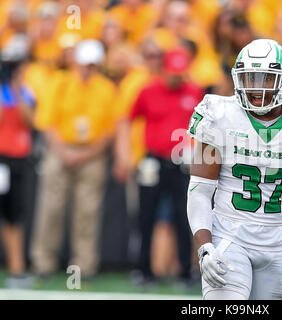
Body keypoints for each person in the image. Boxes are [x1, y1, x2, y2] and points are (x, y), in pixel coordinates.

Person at [186, 39, 282, 300]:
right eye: (249, 77)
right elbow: (200, 190)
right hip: (229, 236)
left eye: (265, 78)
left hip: (279, 243)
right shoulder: (218, 114)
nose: (256, 87)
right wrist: (204, 245)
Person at [116, 47, 204, 286]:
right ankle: (144, 269)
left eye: (180, 72)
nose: (176, 77)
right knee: (146, 215)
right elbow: (126, 119)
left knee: (184, 216)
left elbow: (206, 127)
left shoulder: (193, 92)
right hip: (152, 160)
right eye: (173, 71)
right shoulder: (148, 91)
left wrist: (198, 155)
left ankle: (186, 271)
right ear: (163, 69)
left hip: (182, 162)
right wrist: (124, 154)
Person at [31, 39, 117, 280]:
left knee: (87, 212)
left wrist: (86, 154)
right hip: (60, 149)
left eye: (92, 64)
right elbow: (46, 123)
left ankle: (84, 265)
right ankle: (43, 262)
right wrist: (64, 151)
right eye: (84, 63)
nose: (88, 69)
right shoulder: (59, 82)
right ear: (76, 62)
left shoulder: (106, 89)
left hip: (92, 153)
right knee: (51, 208)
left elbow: (110, 131)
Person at [0, 47, 35, 288]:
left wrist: (15, 90)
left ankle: (16, 267)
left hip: (19, 159)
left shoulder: (25, 92)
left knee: (14, 215)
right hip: (1, 159)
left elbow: (30, 121)